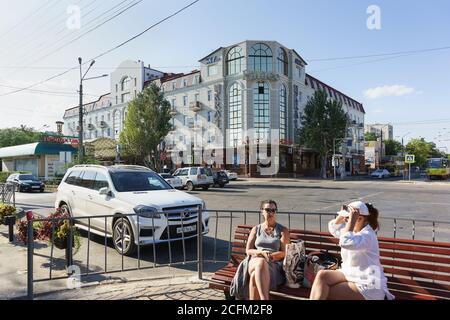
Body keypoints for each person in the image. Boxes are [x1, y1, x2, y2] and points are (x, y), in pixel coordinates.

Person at [310, 201, 395, 300]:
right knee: (322, 276)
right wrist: (343, 216)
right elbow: (334, 229)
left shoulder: (367, 235)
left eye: (348, 219)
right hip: (352, 275)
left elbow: (345, 241)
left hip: (369, 284)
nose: (346, 221)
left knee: (324, 291)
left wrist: (351, 220)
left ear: (359, 219)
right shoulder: (354, 232)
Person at [246, 200, 290, 300]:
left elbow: (285, 253)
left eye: (273, 210)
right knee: (260, 262)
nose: (270, 213)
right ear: (262, 211)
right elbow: (248, 250)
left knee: (254, 277)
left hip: (273, 264)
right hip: (254, 260)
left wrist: (271, 256)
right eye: (267, 210)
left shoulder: (283, 230)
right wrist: (261, 253)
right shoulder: (256, 229)